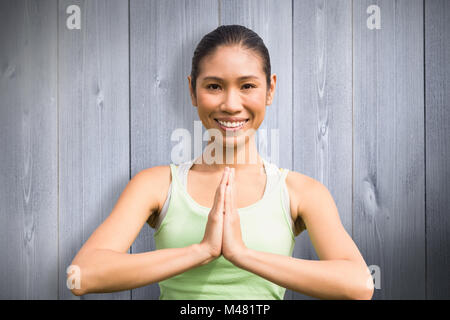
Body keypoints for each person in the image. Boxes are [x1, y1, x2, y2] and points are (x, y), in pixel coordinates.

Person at [68, 24, 374, 300]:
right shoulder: (156, 185)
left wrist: (243, 254)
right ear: (192, 90)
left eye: (247, 86)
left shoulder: (301, 192)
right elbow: (82, 275)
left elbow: (358, 284)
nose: (230, 104)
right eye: (214, 86)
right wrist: (201, 251)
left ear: (270, 89)